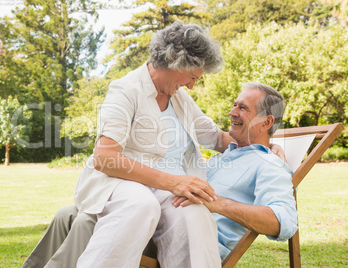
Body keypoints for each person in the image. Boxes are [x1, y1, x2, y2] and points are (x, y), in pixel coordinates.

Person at [22, 21, 233, 268]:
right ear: (177, 62)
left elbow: (217, 138)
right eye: (192, 77)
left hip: (168, 190)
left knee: (195, 215)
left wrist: (263, 145)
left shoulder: (180, 98)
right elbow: (105, 158)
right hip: (122, 182)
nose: (192, 85)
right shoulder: (125, 90)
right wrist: (174, 182)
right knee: (141, 205)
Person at [173, 82, 298, 260]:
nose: (232, 113)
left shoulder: (270, 164)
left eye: (243, 108)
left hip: (195, 245)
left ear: (266, 122)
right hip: (170, 226)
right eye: (234, 105)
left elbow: (282, 221)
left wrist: (217, 202)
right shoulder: (224, 157)